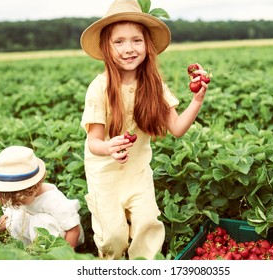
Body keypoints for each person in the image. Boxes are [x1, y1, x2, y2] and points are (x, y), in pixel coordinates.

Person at [80, 0, 208, 259]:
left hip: (138, 172)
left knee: (148, 225)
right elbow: (93, 141)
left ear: (147, 45)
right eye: (119, 42)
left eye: (136, 40)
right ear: (106, 46)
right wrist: (109, 147)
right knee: (113, 237)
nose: (129, 49)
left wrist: (197, 100)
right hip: (104, 175)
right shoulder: (100, 87)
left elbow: (177, 128)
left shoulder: (154, 84)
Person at [0, 145, 84, 248]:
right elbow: (9, 216)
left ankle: (49, 255)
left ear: (35, 187)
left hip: (63, 238)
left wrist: (65, 256)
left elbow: (73, 230)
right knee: (16, 217)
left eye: (19, 201)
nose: (14, 203)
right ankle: (29, 251)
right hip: (34, 230)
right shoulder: (15, 196)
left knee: (41, 221)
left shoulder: (53, 199)